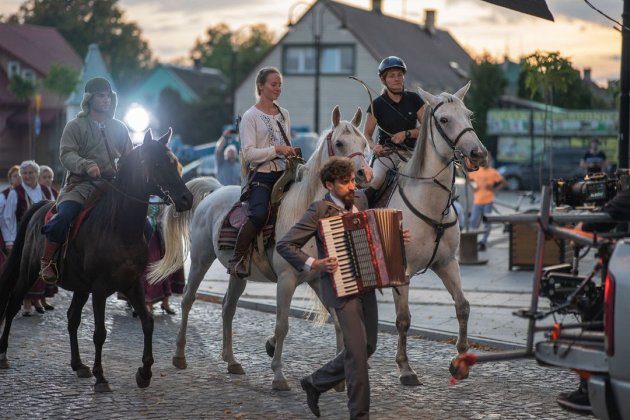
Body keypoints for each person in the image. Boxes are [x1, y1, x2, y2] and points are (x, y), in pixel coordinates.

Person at [277, 157, 410, 419]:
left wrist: (396, 237)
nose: (352, 186)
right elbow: (286, 245)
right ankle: (359, 415)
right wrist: (315, 263)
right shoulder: (318, 210)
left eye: (352, 181)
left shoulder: (360, 201)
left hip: (367, 283)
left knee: (369, 345)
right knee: (358, 355)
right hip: (340, 288)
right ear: (329, 184)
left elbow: (372, 240)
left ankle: (315, 382)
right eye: (345, 182)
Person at [39, 77, 133, 284]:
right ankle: (47, 260)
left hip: (111, 187)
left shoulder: (119, 128)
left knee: (140, 222)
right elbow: (66, 155)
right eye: (101, 96)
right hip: (80, 186)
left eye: (109, 96)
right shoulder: (75, 126)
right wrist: (86, 165)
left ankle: (130, 264)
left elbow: (129, 157)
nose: (106, 100)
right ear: (90, 99)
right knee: (63, 218)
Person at [229, 67, 297, 278]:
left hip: (286, 174)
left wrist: (290, 154)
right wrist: (276, 150)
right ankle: (237, 258)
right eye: (273, 84)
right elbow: (249, 155)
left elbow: (287, 144)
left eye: (280, 85)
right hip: (263, 176)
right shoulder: (250, 116)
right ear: (261, 86)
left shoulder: (284, 114)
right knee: (259, 214)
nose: (278, 89)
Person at [363, 56, 425, 203]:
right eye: (391, 76)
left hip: (413, 154)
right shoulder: (376, 105)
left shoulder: (414, 99)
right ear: (383, 80)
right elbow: (366, 134)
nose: (397, 79)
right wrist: (374, 146)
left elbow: (427, 128)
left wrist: (408, 133)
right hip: (388, 154)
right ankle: (361, 209)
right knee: (376, 179)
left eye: (400, 75)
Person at [2, 161, 54, 315]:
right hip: (22, 235)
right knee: (24, 269)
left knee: (39, 268)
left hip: (42, 236)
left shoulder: (45, 189)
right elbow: (8, 218)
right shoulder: (15, 192)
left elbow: (52, 210)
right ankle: (25, 303)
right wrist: (9, 240)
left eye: (31, 173)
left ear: (37, 174)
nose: (27, 176)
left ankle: (37, 299)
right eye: (24, 173)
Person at [467, 154, 506, 251]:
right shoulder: (477, 171)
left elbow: (504, 183)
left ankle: (483, 242)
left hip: (488, 201)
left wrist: (494, 189)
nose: (486, 162)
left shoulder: (493, 172)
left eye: (488, 160)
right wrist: (473, 187)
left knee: (486, 222)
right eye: (484, 160)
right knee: (473, 221)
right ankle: (472, 240)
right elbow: (468, 178)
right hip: (477, 200)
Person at [37, 165, 60, 310]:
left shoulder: (54, 192)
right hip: (41, 229)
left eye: (49, 177)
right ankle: (32, 300)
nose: (47, 180)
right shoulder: (38, 191)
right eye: (44, 177)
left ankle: (43, 298)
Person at [0, 165, 21, 266]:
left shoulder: (25, 193)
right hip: (7, 237)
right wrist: (9, 240)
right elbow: (3, 219)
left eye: (19, 175)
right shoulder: (4, 195)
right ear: (10, 178)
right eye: (15, 176)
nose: (18, 178)